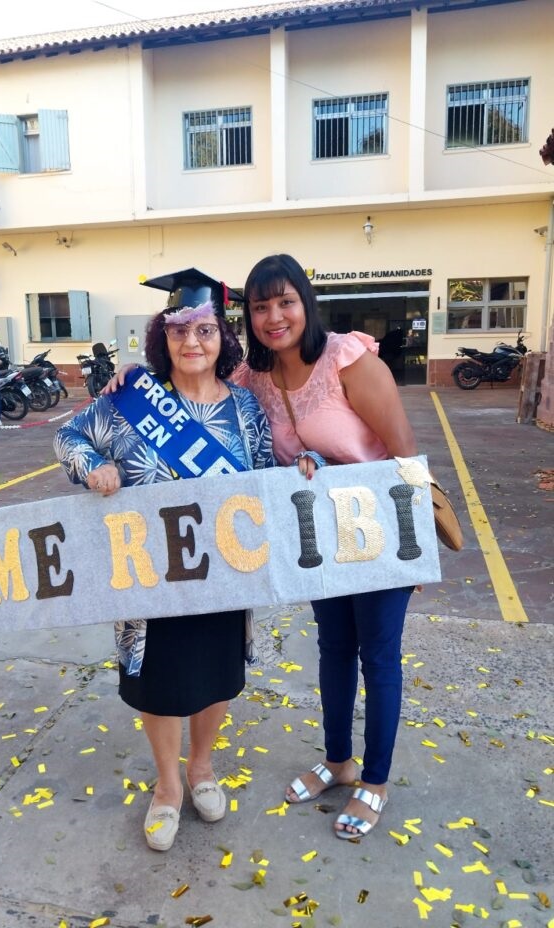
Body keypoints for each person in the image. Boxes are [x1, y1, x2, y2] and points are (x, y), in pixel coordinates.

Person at [53, 269, 275, 852]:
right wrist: (91, 468)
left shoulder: (247, 408)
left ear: (223, 338)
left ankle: (202, 767)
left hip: (224, 577)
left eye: (204, 330)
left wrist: (308, 471)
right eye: (179, 332)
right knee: (157, 683)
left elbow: (268, 478)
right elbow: (69, 439)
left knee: (215, 676)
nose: (192, 342)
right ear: (163, 339)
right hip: (148, 577)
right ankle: (169, 784)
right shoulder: (130, 400)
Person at [237, 253, 418, 841]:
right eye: (260, 306)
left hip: (380, 534)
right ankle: (339, 762)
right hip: (319, 538)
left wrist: (415, 546)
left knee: (378, 655)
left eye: (284, 301)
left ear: (306, 303)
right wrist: (130, 379)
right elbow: (194, 390)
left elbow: (403, 452)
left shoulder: (346, 357)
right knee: (334, 648)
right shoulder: (255, 379)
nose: (273, 316)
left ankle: (377, 780)